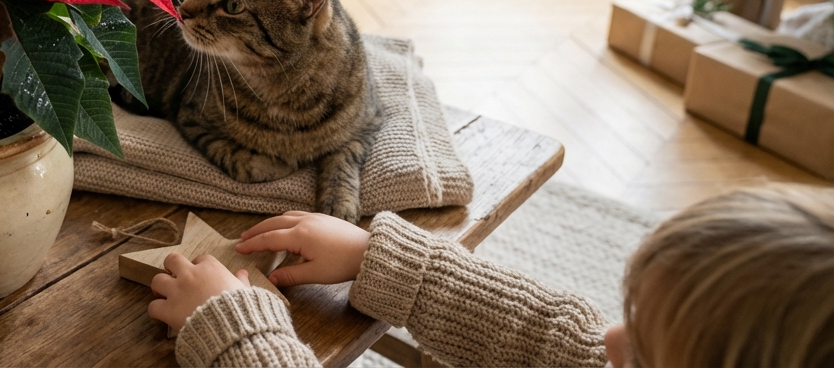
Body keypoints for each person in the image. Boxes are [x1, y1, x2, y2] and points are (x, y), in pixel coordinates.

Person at [146, 185, 834, 367]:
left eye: (647, 357)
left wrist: (238, 335)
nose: (612, 342)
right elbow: (554, 341)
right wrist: (385, 259)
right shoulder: (610, 353)